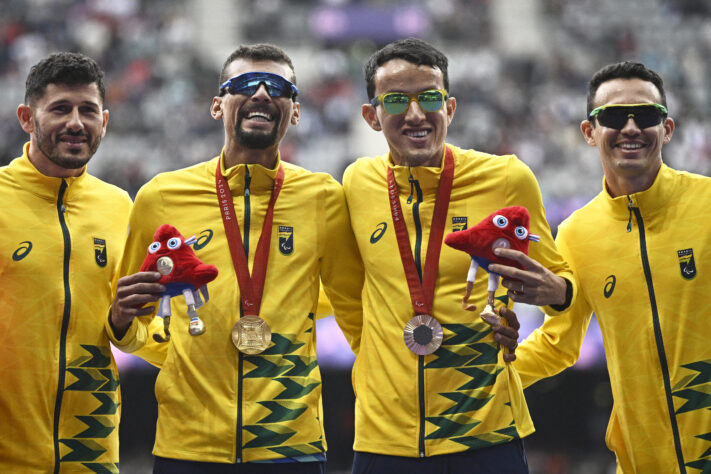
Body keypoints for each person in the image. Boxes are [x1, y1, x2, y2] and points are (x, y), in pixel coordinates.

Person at [107, 43, 363, 473]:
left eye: (278, 86)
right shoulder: (161, 197)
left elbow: (356, 310)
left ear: (295, 111)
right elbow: (132, 318)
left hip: (291, 445)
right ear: (216, 105)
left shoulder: (325, 198)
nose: (262, 93)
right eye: (245, 83)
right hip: (188, 445)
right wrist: (173, 348)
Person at [342, 37, 575, 473]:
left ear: (450, 108)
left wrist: (557, 292)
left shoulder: (507, 177)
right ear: (371, 117)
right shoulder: (357, 182)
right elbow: (347, 292)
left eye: (429, 97)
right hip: (384, 436)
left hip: (487, 431)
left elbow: (561, 283)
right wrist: (381, 360)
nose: (415, 114)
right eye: (396, 100)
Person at [513, 61, 711, 473]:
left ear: (668, 128)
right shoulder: (576, 233)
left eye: (648, 115)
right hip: (640, 464)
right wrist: (485, 374)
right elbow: (557, 345)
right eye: (615, 117)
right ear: (589, 132)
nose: (632, 127)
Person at [0, 52, 132, 472]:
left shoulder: (121, 207)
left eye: (88, 110)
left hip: (91, 452)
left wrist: (127, 323)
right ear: (26, 117)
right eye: (60, 108)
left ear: (104, 122)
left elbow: (145, 332)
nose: (76, 122)